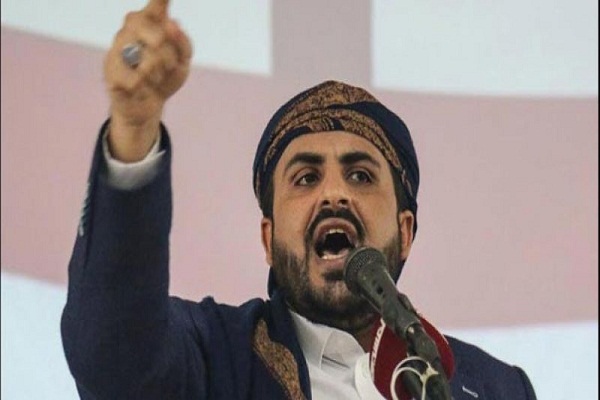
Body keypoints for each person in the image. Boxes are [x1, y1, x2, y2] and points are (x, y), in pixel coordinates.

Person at [60, 0, 538, 399]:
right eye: (306, 178)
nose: (334, 194)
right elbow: (111, 352)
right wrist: (134, 127)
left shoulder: (494, 387)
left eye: (360, 175)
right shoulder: (211, 357)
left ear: (406, 230)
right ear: (268, 239)